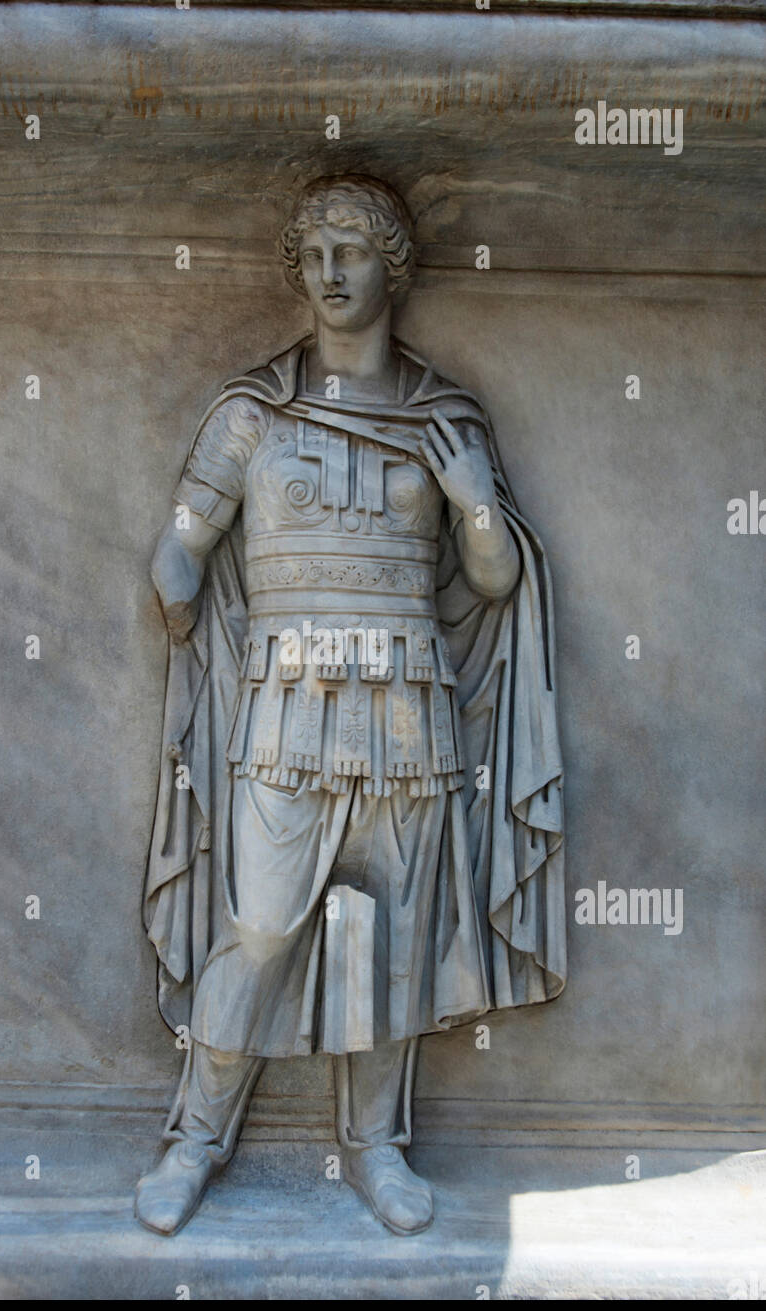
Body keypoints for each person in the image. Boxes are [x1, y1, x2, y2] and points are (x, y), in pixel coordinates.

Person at [137, 174, 565, 1237]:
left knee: (394, 932)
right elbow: (182, 547)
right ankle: (196, 1136)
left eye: (355, 250)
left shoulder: (444, 419)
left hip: (409, 710)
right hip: (289, 703)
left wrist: (475, 504)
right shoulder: (252, 414)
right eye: (317, 251)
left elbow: (498, 581)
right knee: (261, 922)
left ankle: (374, 1147)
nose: (332, 271)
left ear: (395, 268)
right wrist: (184, 603)